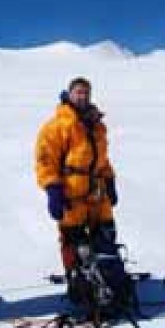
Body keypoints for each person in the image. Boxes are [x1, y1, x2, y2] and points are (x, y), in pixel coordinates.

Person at [35, 77, 118, 300]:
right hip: (72, 197)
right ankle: (81, 291)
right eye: (78, 92)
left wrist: (110, 181)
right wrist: (53, 190)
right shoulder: (57, 126)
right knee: (76, 248)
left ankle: (111, 285)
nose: (83, 96)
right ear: (69, 94)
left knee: (106, 243)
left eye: (86, 93)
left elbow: (103, 159)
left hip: (98, 196)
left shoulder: (97, 125)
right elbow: (45, 161)